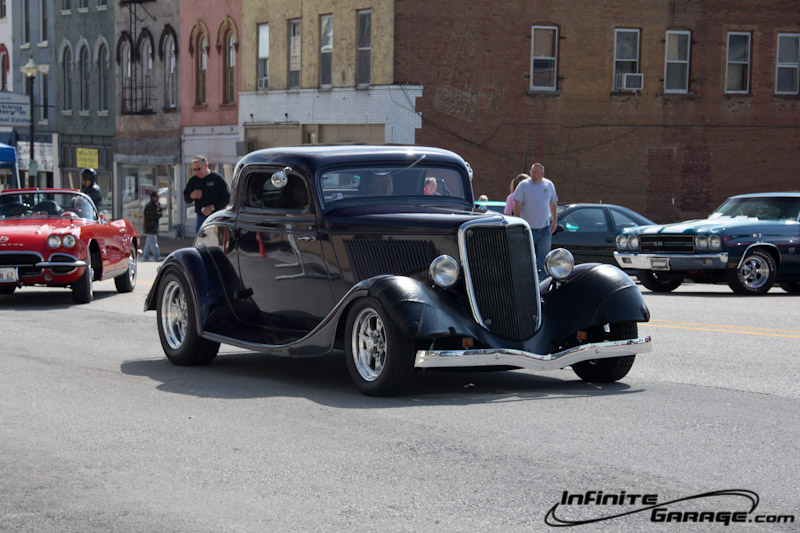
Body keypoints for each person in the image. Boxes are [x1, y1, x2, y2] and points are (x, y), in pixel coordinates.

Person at [513, 163, 558, 276]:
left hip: (544, 229)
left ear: (542, 173)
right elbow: (517, 203)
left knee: (544, 257)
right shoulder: (524, 185)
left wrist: (554, 220)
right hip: (528, 229)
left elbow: (553, 203)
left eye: (536, 172)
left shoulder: (549, 185)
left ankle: (542, 282)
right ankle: (526, 278)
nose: (533, 175)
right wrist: (518, 222)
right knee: (526, 257)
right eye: (532, 172)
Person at [183, 155, 231, 233]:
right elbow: (186, 198)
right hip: (201, 217)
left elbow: (227, 198)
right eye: (194, 169)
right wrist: (192, 196)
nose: (197, 172)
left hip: (216, 217)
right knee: (200, 243)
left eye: (199, 169)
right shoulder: (193, 180)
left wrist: (212, 207)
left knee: (216, 242)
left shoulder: (217, 178)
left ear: (206, 165)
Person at [142, 191, 164, 261]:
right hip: (150, 227)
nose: (158, 198)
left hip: (152, 227)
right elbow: (153, 216)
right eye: (157, 197)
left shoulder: (154, 205)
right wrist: (160, 213)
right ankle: (157, 256)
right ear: (153, 197)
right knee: (154, 242)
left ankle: (145, 256)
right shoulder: (150, 206)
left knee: (149, 242)